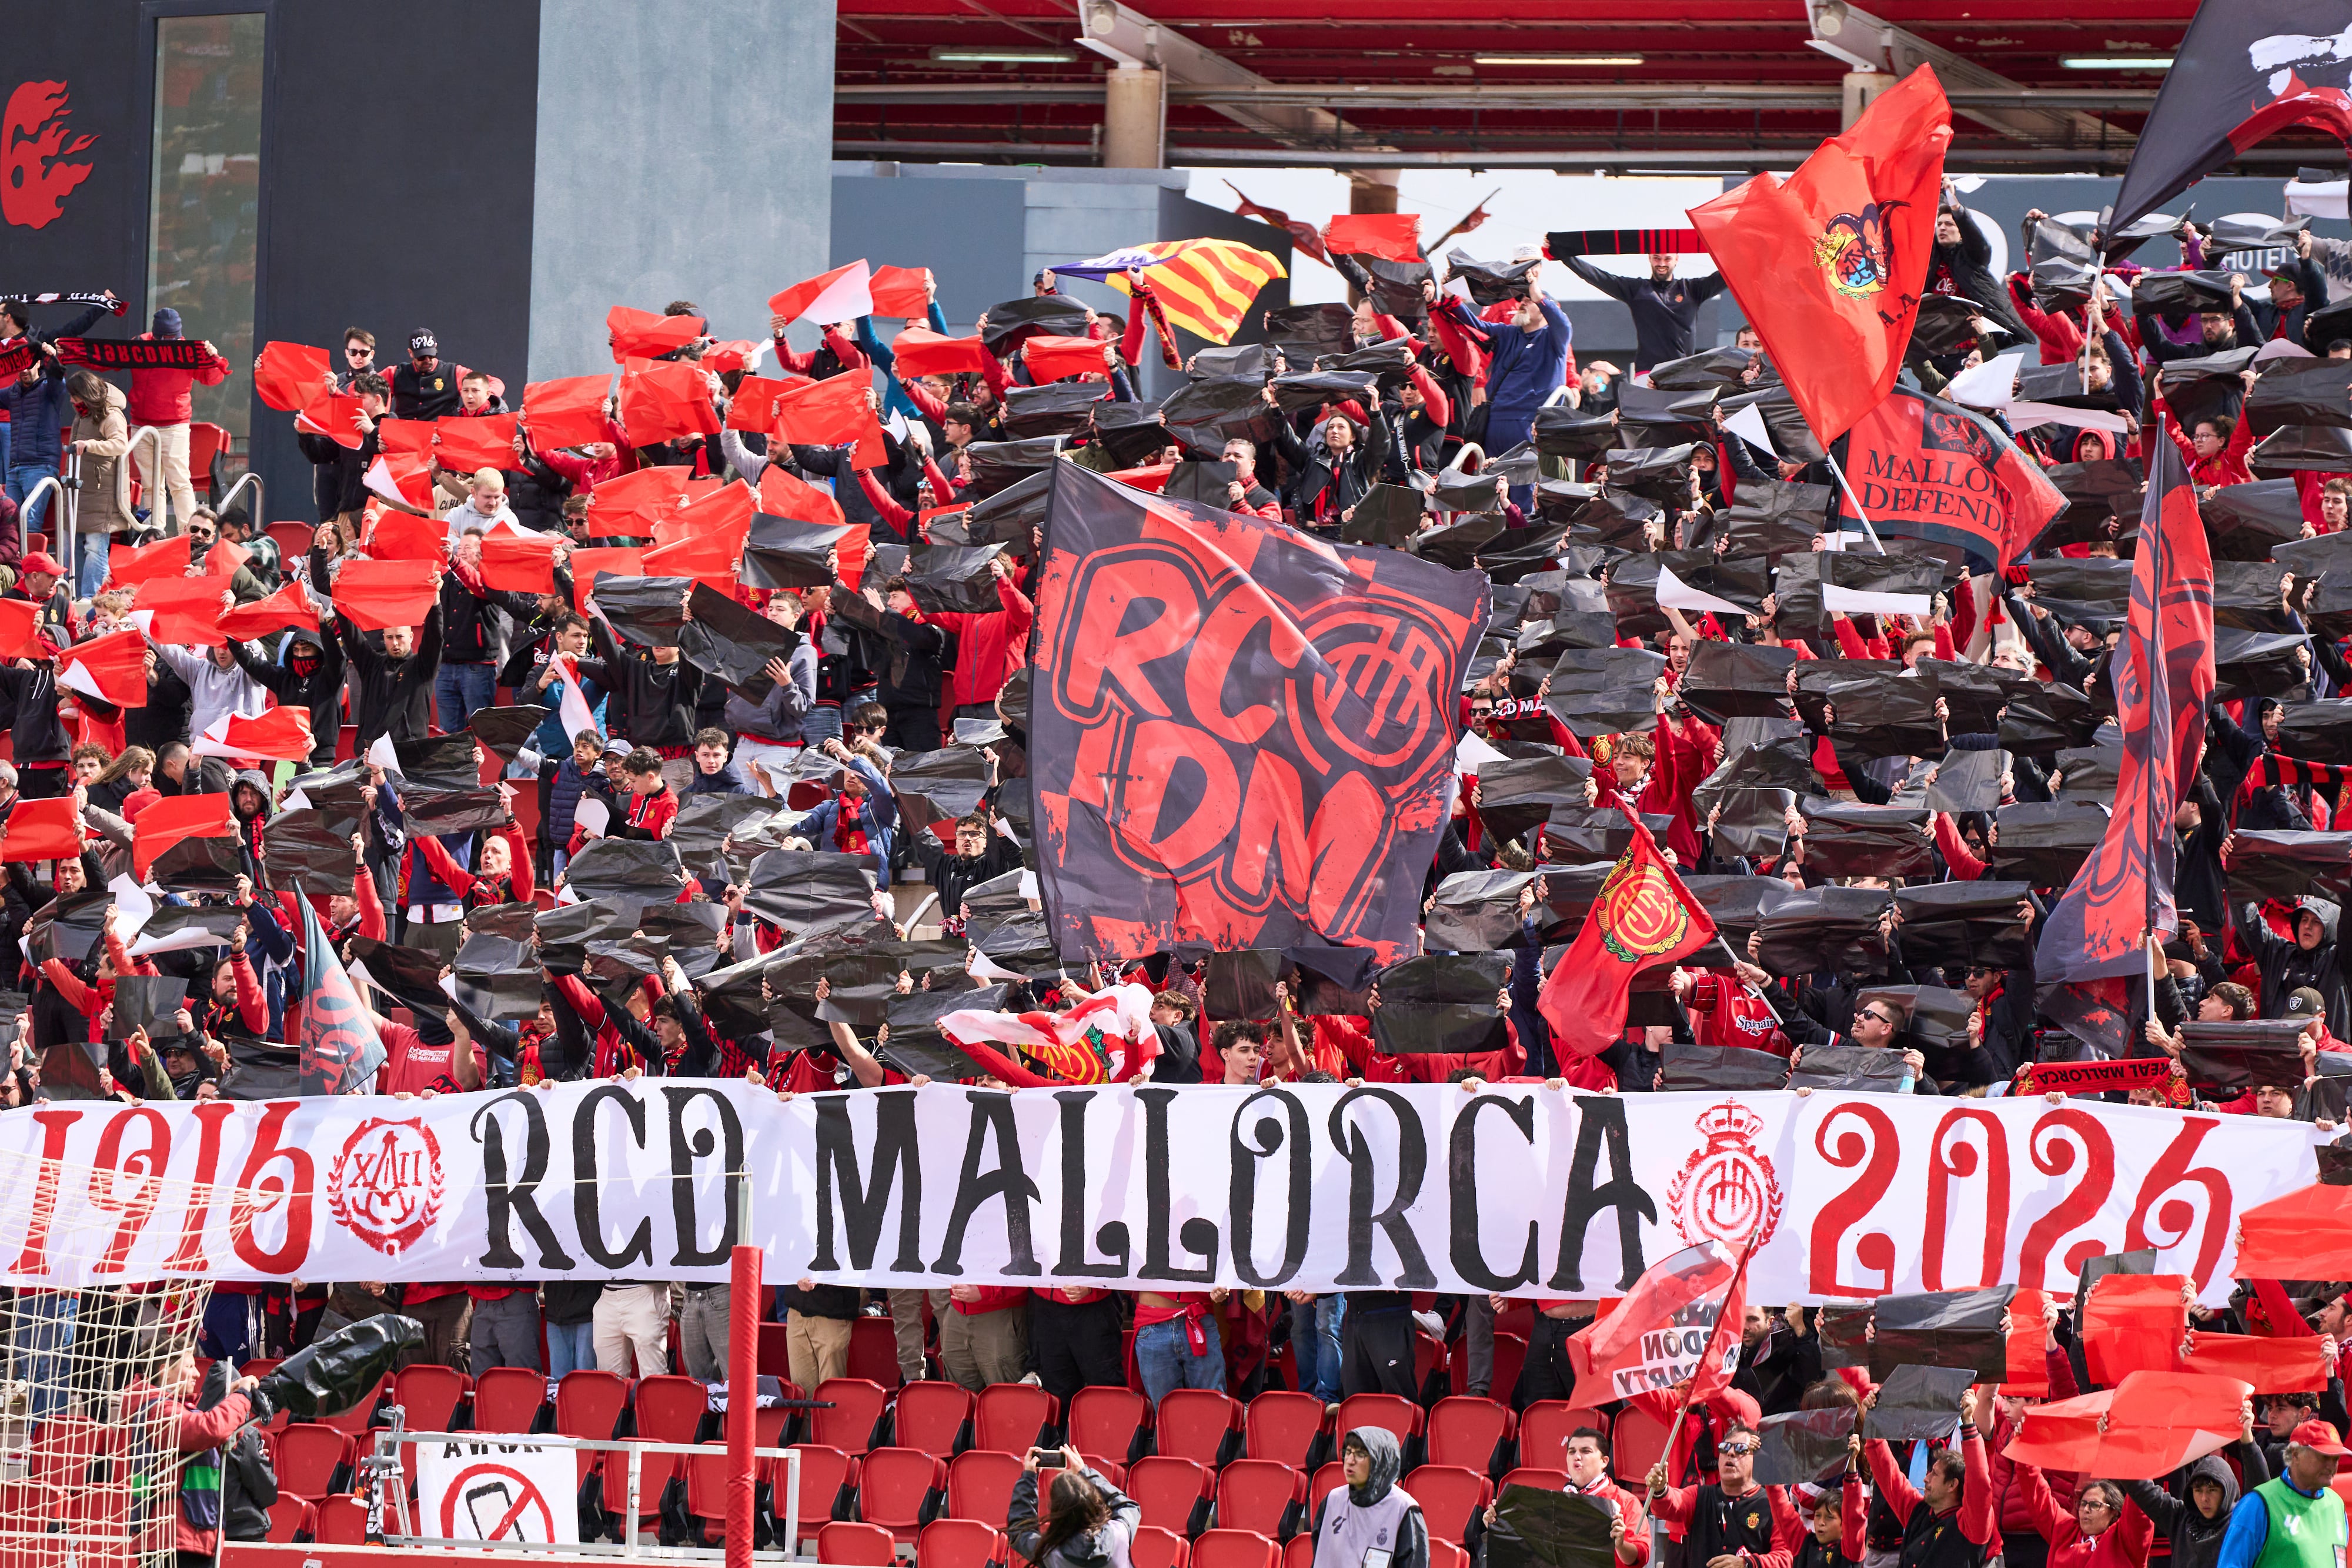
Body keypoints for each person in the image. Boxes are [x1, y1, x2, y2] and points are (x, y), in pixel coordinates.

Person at [125, 307, 229, 543]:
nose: (169, 344)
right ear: (156, 334)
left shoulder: (190, 350)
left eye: (173, 339)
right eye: (165, 339)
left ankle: (190, 536)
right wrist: (72, 351)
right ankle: (154, 536)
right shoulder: (139, 345)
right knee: (152, 485)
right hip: (142, 424)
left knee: (180, 482)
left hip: (174, 425)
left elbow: (213, 378)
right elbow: (106, 359)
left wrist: (213, 357)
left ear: (179, 335)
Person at [1559, 252, 1728, 372]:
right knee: (1648, 422)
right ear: (1649, 258)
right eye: (1657, 258)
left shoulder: (1692, 290)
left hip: (1683, 372)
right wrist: (1564, 255)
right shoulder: (1637, 290)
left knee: (1681, 423)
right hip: (1648, 373)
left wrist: (1748, 246)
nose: (1662, 263)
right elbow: (1599, 277)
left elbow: (1727, 273)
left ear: (1676, 259)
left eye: (1667, 259)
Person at [2211, 1420, 2347, 1568]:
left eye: (2336, 1459)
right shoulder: (2258, 1503)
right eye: (2324, 1457)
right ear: (2295, 1454)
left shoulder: (2337, 1505)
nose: (2332, 1466)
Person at [1310, 1428, 1428, 1568]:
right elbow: (1320, 1556)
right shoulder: (1332, 1500)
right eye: (1347, 1452)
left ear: (1381, 1461)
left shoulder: (1404, 1508)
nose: (1350, 1460)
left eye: (1360, 1454)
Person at [1008, 1445, 1141, 1568]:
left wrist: (1029, 1477)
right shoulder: (1118, 1534)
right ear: (1092, 1503)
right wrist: (1085, 1473)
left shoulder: (1051, 1553)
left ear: (1056, 1510)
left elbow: (1020, 1530)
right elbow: (1128, 1506)